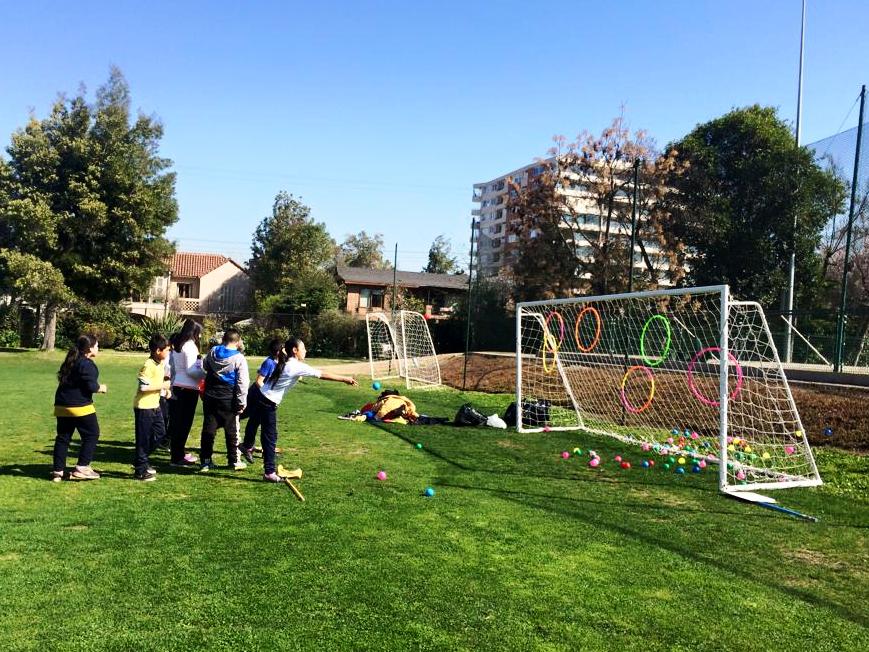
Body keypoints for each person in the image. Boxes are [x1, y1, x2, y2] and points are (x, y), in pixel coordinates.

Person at [247, 336, 357, 483]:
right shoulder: (295, 366)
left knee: (260, 429)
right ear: (295, 350)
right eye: (303, 348)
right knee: (270, 437)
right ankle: (269, 472)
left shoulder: (286, 361)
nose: (306, 351)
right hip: (267, 401)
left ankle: (247, 447)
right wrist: (345, 379)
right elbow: (322, 374)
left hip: (260, 396)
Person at [51, 335, 107, 481]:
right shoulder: (87, 364)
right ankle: (82, 467)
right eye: (96, 346)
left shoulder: (70, 361)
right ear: (89, 348)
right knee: (92, 434)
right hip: (79, 406)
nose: (98, 348)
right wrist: (101, 388)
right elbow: (91, 386)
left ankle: (58, 471)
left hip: (61, 405)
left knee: (63, 438)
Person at [199, 328, 250, 472]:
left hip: (210, 396)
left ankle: (205, 461)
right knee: (232, 430)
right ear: (238, 342)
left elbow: (205, 366)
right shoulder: (239, 358)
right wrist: (242, 402)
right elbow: (242, 382)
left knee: (209, 428)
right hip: (228, 398)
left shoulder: (213, 351)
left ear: (223, 339)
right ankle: (234, 460)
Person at [132, 334, 172, 481]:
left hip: (155, 406)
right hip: (144, 407)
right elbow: (143, 387)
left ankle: (140, 460)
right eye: (167, 350)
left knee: (160, 434)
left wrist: (165, 391)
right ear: (157, 351)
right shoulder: (148, 365)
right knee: (143, 439)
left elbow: (156, 383)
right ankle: (140, 471)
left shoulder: (160, 364)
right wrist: (164, 385)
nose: (168, 353)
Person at [238, 337, 283, 464]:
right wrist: (269, 395)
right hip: (256, 396)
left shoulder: (279, 362)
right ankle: (248, 446)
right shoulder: (269, 362)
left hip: (263, 398)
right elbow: (259, 381)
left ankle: (252, 447)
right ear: (278, 351)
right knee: (251, 420)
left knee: (258, 422)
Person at [167, 319, 205, 467]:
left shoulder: (178, 343)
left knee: (177, 422)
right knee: (184, 423)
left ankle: (178, 452)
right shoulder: (190, 346)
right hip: (188, 388)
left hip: (178, 385)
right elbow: (191, 370)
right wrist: (205, 374)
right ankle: (177, 457)